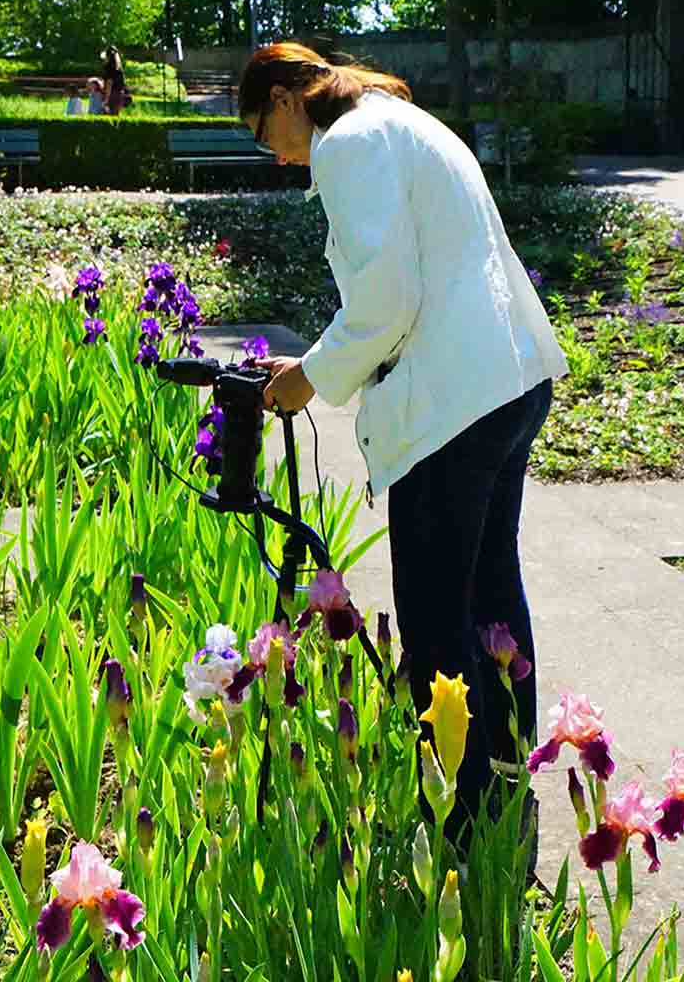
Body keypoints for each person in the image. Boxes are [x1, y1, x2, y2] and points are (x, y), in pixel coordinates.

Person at [241, 41, 568, 838]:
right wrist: (316, 358)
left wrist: (311, 379)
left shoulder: (349, 142)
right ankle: (505, 809)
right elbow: (416, 285)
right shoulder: (400, 122)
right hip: (506, 380)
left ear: (287, 98)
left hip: (453, 408)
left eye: (263, 133)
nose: (277, 158)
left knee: (435, 618)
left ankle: (462, 826)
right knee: (491, 605)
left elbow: (387, 301)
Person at [100, 45, 129, 116]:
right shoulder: (119, 68)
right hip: (119, 95)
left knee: (108, 116)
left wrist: (106, 99)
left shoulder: (108, 67)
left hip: (111, 95)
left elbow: (109, 83)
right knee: (116, 116)